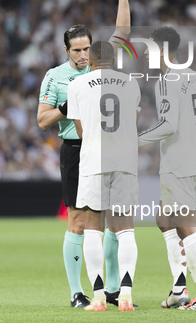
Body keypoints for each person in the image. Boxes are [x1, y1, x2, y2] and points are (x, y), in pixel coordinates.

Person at [36, 0, 132, 308]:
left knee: (110, 221)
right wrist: (66, 106)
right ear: (67, 51)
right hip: (77, 151)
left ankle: (113, 287)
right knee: (79, 221)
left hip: (107, 151)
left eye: (86, 48)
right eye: (76, 50)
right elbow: (43, 120)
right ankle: (78, 291)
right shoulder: (57, 77)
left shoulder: (102, 65)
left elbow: (122, 35)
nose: (82, 54)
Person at [138, 27, 196, 310]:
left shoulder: (167, 79)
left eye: (149, 47)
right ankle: (179, 288)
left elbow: (169, 125)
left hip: (178, 162)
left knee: (185, 226)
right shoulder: (194, 76)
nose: (146, 52)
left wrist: (133, 141)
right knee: (164, 218)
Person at [67, 41, 141, 311]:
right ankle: (126, 294)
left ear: (91, 60)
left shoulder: (77, 85)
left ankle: (98, 297)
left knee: (93, 229)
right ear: (114, 60)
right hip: (124, 162)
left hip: (93, 162)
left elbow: (81, 131)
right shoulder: (131, 83)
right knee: (125, 228)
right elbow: (131, 124)